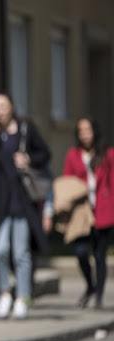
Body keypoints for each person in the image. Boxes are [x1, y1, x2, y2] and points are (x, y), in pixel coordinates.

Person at [0, 91, 51, 320]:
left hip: (22, 202)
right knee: (0, 250)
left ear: (11, 107)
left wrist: (28, 159)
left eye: (2, 105)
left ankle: (22, 297)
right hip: (0, 202)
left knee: (21, 252)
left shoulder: (26, 130)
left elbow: (45, 154)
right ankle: (5, 292)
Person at [61, 117, 114, 310]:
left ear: (95, 131)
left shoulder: (107, 154)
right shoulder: (73, 155)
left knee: (100, 255)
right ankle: (90, 286)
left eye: (88, 130)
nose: (84, 134)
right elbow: (67, 181)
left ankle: (99, 295)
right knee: (81, 252)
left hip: (102, 209)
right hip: (81, 212)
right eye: (81, 130)